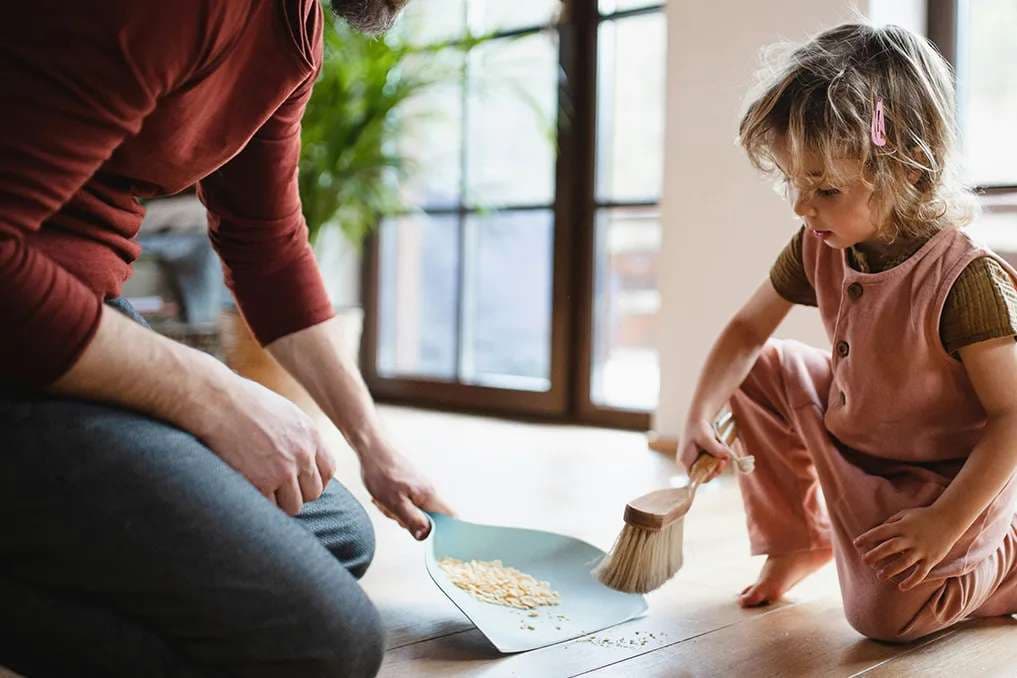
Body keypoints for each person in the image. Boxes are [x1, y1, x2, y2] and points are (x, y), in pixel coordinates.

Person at [0, 0, 451, 675]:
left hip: (71, 308)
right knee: (323, 643)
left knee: (332, 530)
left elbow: (266, 246)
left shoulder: (294, 26)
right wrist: (213, 394)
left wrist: (372, 443)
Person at [677, 23, 1017, 642]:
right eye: (793, 183)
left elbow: (1013, 417)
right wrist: (697, 414)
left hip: (948, 481)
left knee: (882, 618)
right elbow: (748, 329)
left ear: (911, 171)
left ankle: (1005, 561)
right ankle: (798, 540)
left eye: (825, 189)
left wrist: (944, 522)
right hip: (852, 440)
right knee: (760, 365)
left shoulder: (966, 278)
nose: (803, 207)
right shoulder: (821, 241)